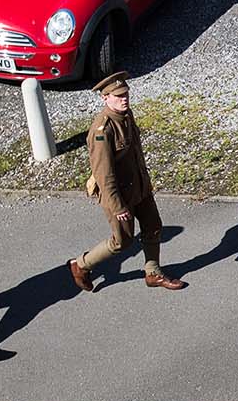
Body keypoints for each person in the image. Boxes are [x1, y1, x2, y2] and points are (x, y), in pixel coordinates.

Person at [68, 71, 185, 294]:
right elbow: (104, 174)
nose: (124, 99)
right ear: (105, 98)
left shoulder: (126, 115)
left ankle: (153, 273)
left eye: (126, 94)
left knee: (153, 226)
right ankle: (81, 264)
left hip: (139, 187)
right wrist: (117, 205)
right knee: (122, 241)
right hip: (119, 195)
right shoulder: (102, 131)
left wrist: (146, 183)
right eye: (118, 96)